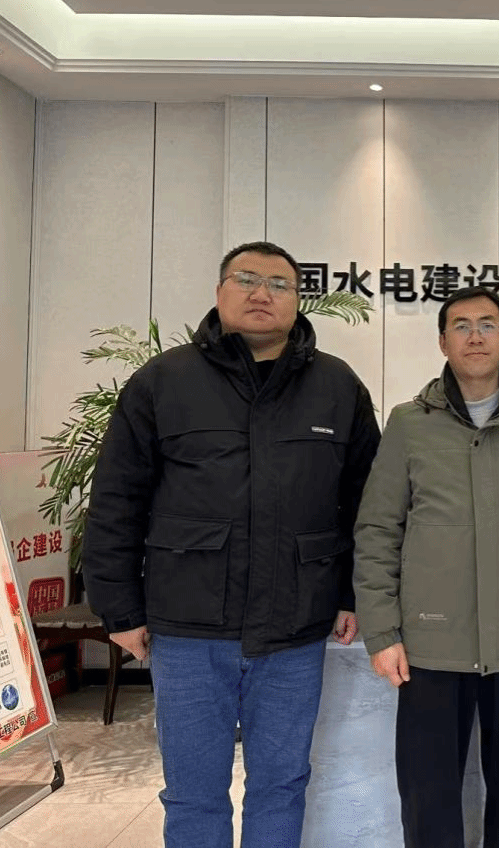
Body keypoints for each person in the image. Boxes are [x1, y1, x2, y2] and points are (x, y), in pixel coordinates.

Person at [83, 240, 380, 848]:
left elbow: (365, 503)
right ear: (219, 293)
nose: (262, 293)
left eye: (279, 284)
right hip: (189, 628)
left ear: (298, 302)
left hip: (295, 629)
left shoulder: (336, 385)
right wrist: (120, 609)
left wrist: (352, 594)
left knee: (282, 784)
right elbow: (116, 498)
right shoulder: (163, 381)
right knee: (193, 792)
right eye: (246, 279)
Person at [353, 284, 499, 848]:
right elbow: (377, 530)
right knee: (428, 792)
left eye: (487, 324)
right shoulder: (410, 423)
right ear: (443, 342)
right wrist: (382, 632)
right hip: (431, 643)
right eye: (460, 326)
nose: (475, 336)